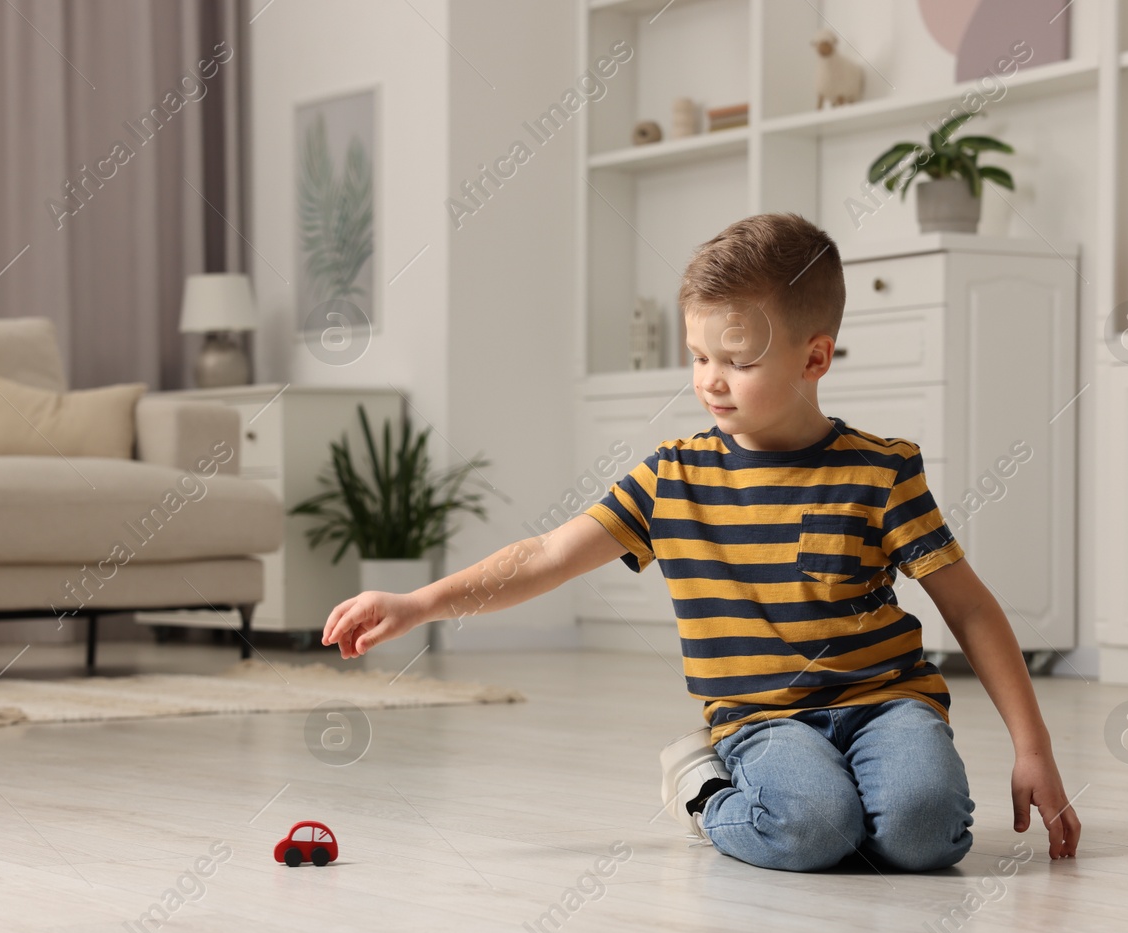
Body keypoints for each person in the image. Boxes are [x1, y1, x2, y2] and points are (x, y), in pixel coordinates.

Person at [320, 212, 1080, 873]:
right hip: (760, 716)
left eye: (738, 361)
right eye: (699, 356)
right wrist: (417, 602)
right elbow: (547, 556)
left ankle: (838, 805)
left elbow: (971, 610)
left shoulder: (881, 470)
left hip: (886, 702)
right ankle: (704, 782)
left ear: (815, 358)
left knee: (926, 836)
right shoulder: (671, 478)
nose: (711, 381)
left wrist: (1032, 746)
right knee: (816, 827)